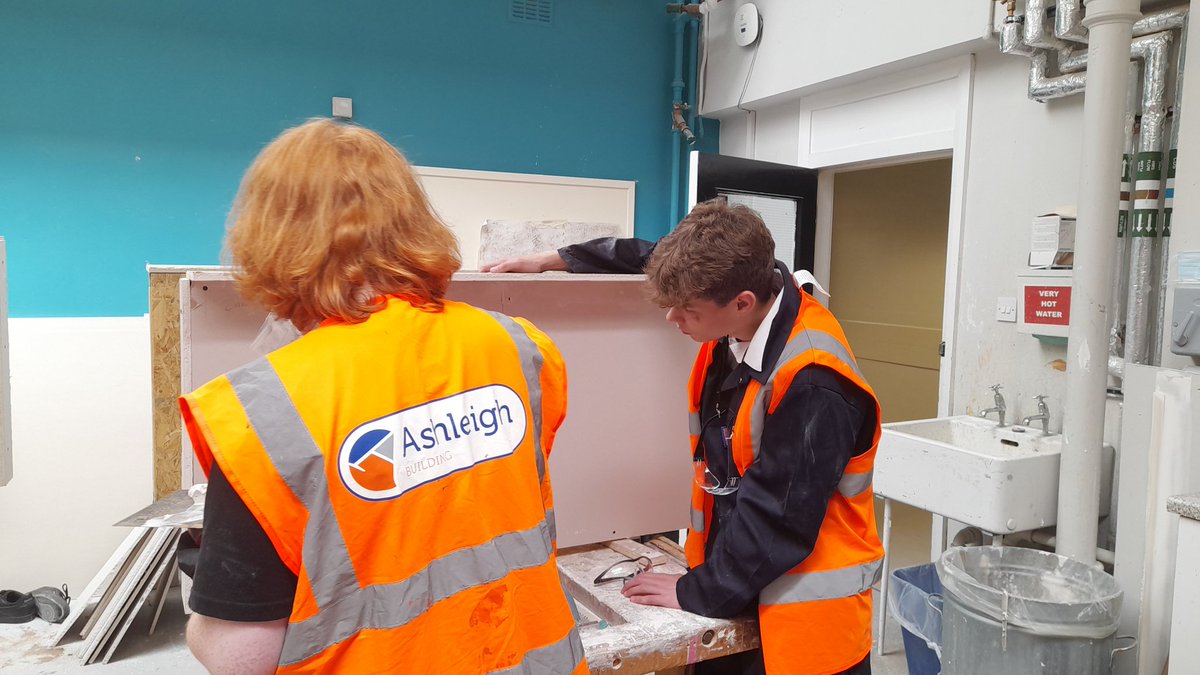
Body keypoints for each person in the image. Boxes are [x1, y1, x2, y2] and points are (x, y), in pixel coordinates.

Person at [180, 119, 586, 675]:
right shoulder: (518, 346)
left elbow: (240, 658)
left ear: (271, 238)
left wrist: (200, 621)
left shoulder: (261, 414)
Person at [484, 200, 883, 675]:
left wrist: (693, 591)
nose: (673, 318)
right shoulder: (738, 281)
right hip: (739, 578)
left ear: (741, 303)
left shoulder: (814, 381)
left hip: (802, 623)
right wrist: (558, 260)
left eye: (687, 310)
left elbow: (779, 520)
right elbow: (650, 256)